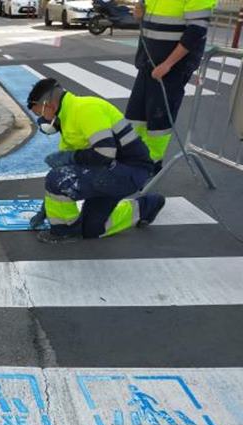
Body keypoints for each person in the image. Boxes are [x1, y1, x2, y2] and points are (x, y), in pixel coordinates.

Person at [27, 78, 166, 243]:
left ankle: (64, 231)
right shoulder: (68, 118)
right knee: (92, 229)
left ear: (49, 106)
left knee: (57, 178)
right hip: (112, 170)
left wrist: (71, 157)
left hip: (129, 170)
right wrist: (48, 208)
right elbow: (69, 172)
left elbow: (105, 153)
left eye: (40, 114)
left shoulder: (85, 109)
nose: (42, 120)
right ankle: (146, 207)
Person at [126, 0, 216, 172]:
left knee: (158, 118)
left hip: (171, 68)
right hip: (148, 62)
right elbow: (149, 16)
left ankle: (151, 163)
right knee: (136, 115)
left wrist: (168, 64)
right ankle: (134, 158)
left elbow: (196, 31)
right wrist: (139, 15)